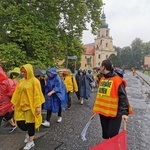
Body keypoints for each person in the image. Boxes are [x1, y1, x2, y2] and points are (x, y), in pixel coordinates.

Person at [93, 59, 132, 140]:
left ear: (103, 67)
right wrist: (97, 109)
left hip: (115, 113)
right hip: (103, 112)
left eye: (100, 66)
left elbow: (123, 97)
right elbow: (101, 96)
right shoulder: (102, 79)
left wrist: (124, 113)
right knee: (106, 135)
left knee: (113, 135)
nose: (100, 68)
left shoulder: (117, 80)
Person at [11, 64, 45, 150]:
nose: (22, 73)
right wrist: (14, 103)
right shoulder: (21, 81)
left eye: (24, 72)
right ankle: (29, 133)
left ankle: (31, 141)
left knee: (30, 124)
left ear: (29, 71)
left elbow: (37, 95)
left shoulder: (35, 81)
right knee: (20, 123)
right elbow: (17, 93)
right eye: (22, 72)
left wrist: (38, 106)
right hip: (21, 106)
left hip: (31, 106)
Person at [0, 67, 17, 133]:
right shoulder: (8, 81)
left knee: (4, 114)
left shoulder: (7, 82)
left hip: (4, 103)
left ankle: (13, 125)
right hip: (4, 104)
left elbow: (13, 91)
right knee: (7, 114)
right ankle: (13, 125)